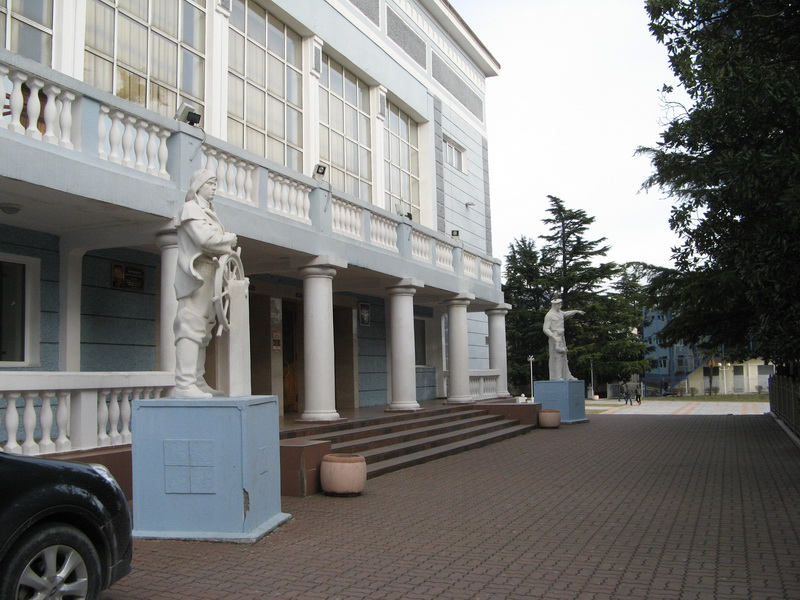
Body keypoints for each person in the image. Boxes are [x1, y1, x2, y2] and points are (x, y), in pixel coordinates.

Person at [173, 169, 238, 398]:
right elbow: (205, 240)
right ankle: (184, 383)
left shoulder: (209, 211)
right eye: (210, 183)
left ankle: (197, 381)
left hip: (213, 271)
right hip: (198, 271)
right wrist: (228, 239)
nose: (214, 188)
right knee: (190, 324)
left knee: (206, 327)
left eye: (215, 183)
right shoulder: (191, 209)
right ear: (198, 185)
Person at [542, 298, 584, 381]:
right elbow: (545, 329)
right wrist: (554, 337)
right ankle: (557, 376)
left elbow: (567, 313)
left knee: (564, 356)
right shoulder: (549, 315)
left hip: (561, 337)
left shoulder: (560, 313)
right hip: (555, 337)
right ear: (554, 305)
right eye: (559, 304)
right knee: (557, 356)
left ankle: (566, 375)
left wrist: (576, 311)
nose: (560, 305)